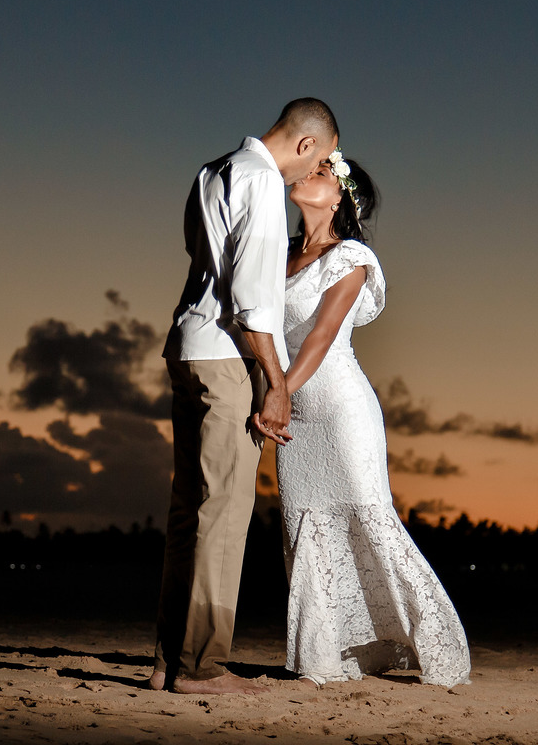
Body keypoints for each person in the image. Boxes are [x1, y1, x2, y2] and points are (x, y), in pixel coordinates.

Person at [149, 99, 340, 695]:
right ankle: (201, 667)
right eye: (324, 159)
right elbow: (253, 299)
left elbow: (200, 261)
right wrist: (277, 384)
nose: (315, 172)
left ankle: (168, 661)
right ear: (306, 145)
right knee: (224, 514)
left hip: (186, 345)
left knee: (189, 509)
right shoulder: (260, 181)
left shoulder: (213, 170)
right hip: (228, 356)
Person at [277, 151, 471, 687]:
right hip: (294, 414)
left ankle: (432, 644)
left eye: (320, 172)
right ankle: (325, 658)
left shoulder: (352, 258)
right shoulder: (279, 256)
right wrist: (275, 392)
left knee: (369, 517)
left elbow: (320, 336)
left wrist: (278, 392)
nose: (305, 175)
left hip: (339, 410)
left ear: (340, 197)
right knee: (305, 529)